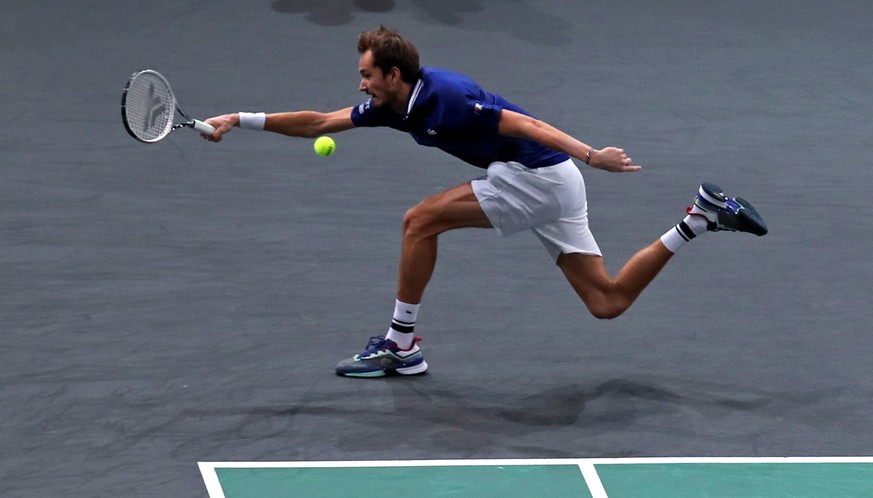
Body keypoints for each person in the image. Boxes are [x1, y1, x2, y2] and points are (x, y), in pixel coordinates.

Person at [203, 26, 767, 378]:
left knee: (419, 220)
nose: (360, 86)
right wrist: (241, 119)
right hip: (552, 184)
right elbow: (320, 123)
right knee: (607, 302)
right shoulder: (394, 104)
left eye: (366, 75)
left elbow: (529, 123)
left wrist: (592, 154)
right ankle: (698, 219)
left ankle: (401, 344)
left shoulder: (446, 98)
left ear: (392, 74)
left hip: (539, 176)